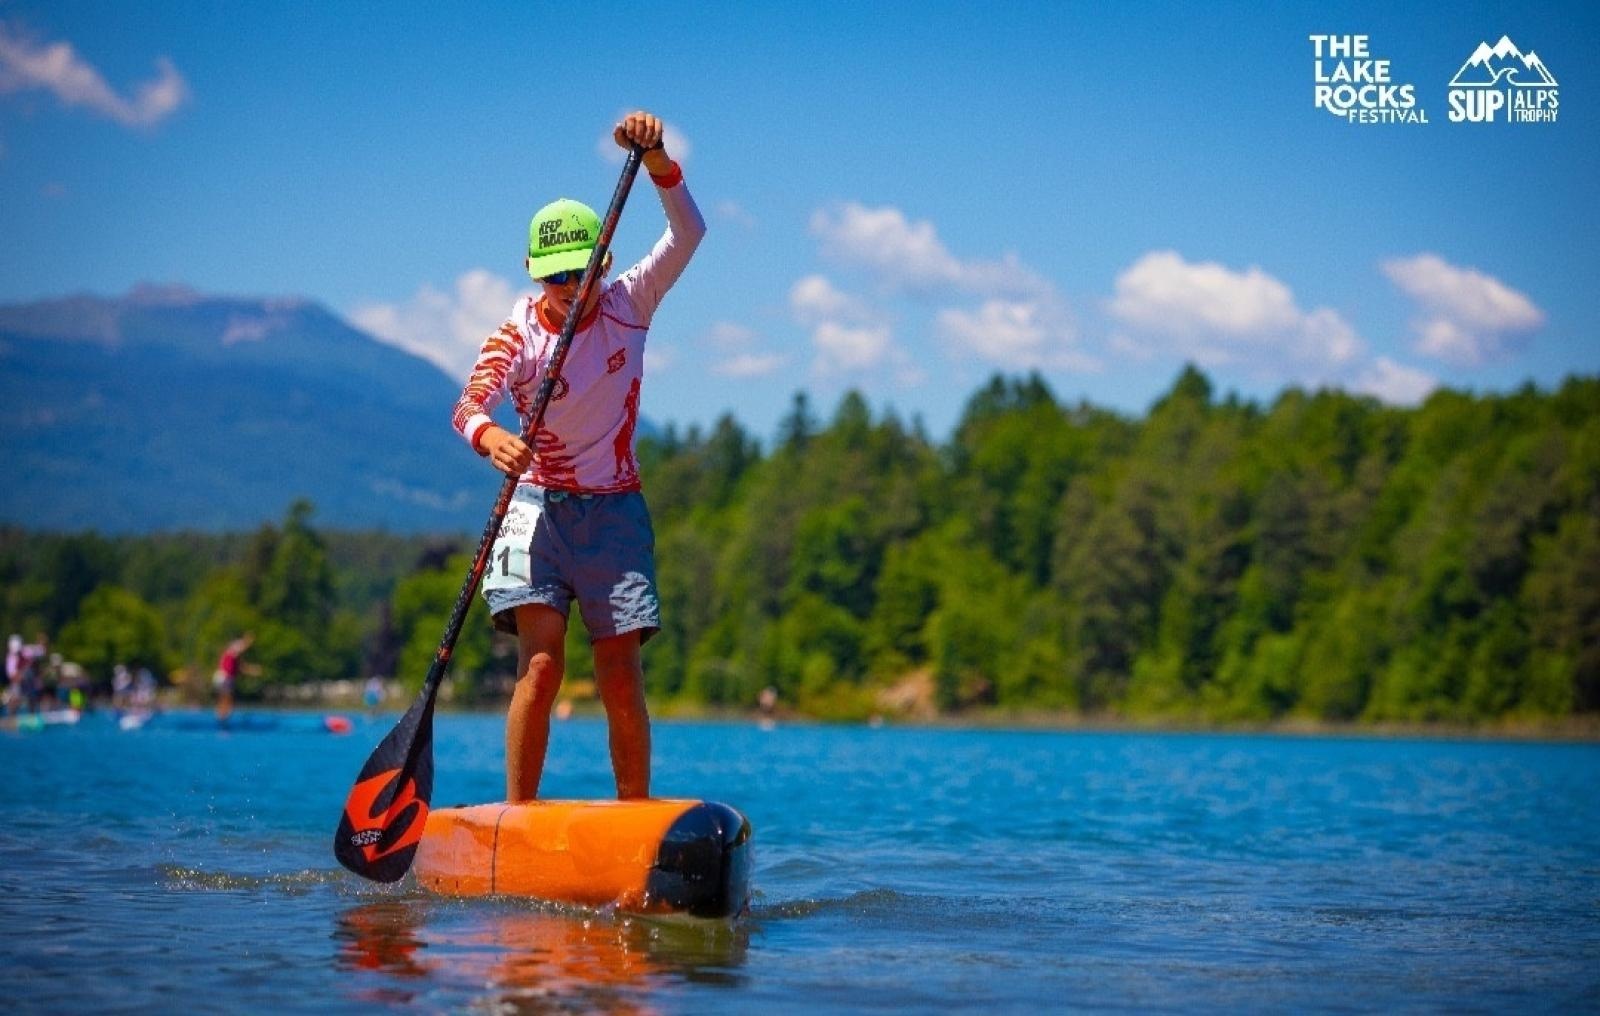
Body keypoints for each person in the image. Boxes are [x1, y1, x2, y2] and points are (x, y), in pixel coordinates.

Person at [452, 110, 704, 803]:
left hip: (615, 507)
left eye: (579, 271)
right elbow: (468, 404)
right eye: (553, 275)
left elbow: (690, 233)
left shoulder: (632, 303)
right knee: (541, 665)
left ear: (605, 265)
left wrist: (657, 160)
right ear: (535, 275)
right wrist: (489, 435)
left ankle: (634, 820)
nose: (568, 286)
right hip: (535, 510)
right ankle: (518, 814)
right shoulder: (517, 333)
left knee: (620, 672)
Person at [213, 633, 254, 722]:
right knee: (226, 699)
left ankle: (222, 717)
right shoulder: (231, 651)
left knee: (225, 699)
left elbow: (241, 669)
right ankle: (222, 717)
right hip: (225, 677)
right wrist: (247, 641)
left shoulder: (233, 658)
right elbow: (240, 648)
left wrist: (252, 670)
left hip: (224, 677)